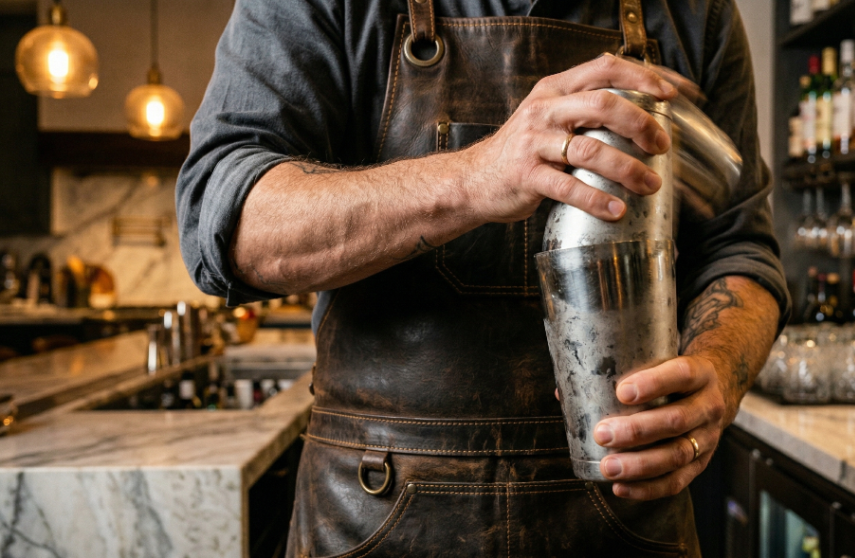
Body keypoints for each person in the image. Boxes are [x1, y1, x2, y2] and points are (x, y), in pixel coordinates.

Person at [177, 0, 790, 555]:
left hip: (627, 519)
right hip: (375, 517)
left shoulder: (696, 13)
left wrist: (719, 373)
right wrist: (476, 176)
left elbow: (742, 249)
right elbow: (225, 224)